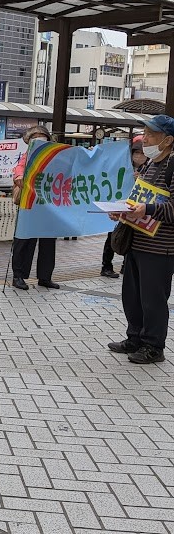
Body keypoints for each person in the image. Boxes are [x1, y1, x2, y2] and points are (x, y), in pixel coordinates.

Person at [108, 115, 174, 365]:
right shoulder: (149, 165)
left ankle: (154, 346)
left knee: (153, 299)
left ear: (168, 140)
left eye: (151, 135)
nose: (144, 139)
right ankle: (134, 337)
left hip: (160, 247)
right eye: (144, 133)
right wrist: (123, 211)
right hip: (137, 241)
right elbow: (138, 201)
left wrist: (148, 209)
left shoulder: (172, 166)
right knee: (132, 295)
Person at [11, 125, 60, 291]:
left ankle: (45, 276)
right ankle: (18, 275)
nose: (39, 141)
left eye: (42, 137)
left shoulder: (54, 155)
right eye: (35, 138)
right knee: (24, 239)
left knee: (48, 241)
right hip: (29, 203)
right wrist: (19, 176)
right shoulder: (27, 156)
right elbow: (19, 168)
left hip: (48, 204)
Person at [100, 136, 145, 278]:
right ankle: (106, 266)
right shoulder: (123, 166)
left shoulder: (148, 169)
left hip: (135, 209)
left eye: (142, 153)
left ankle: (126, 266)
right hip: (119, 207)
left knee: (130, 238)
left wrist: (140, 180)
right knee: (112, 236)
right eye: (136, 153)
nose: (139, 156)